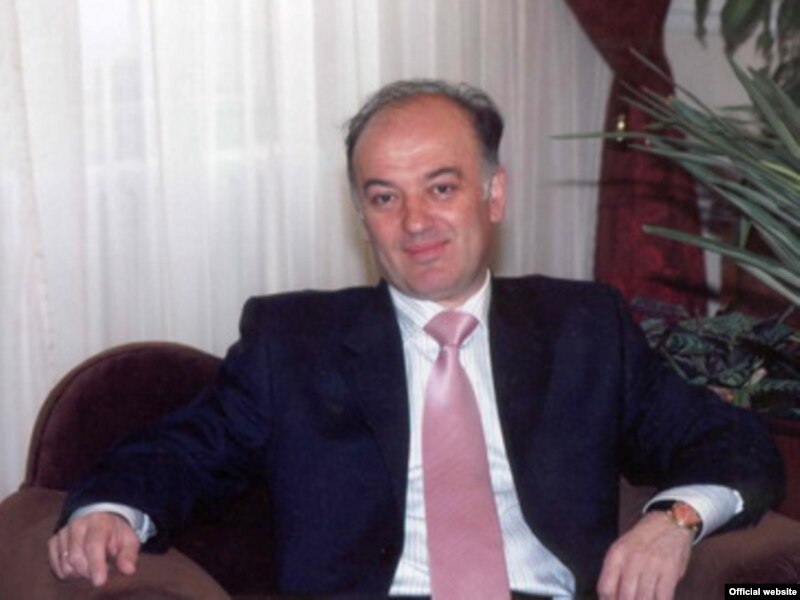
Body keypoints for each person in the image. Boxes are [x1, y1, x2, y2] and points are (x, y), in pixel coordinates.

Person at [48, 80, 783, 599]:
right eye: (385, 196)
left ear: (494, 194)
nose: (416, 222)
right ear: (361, 217)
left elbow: (732, 440)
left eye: (441, 187)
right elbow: (182, 451)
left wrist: (674, 521)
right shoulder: (293, 343)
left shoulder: (582, 328)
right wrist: (108, 510)